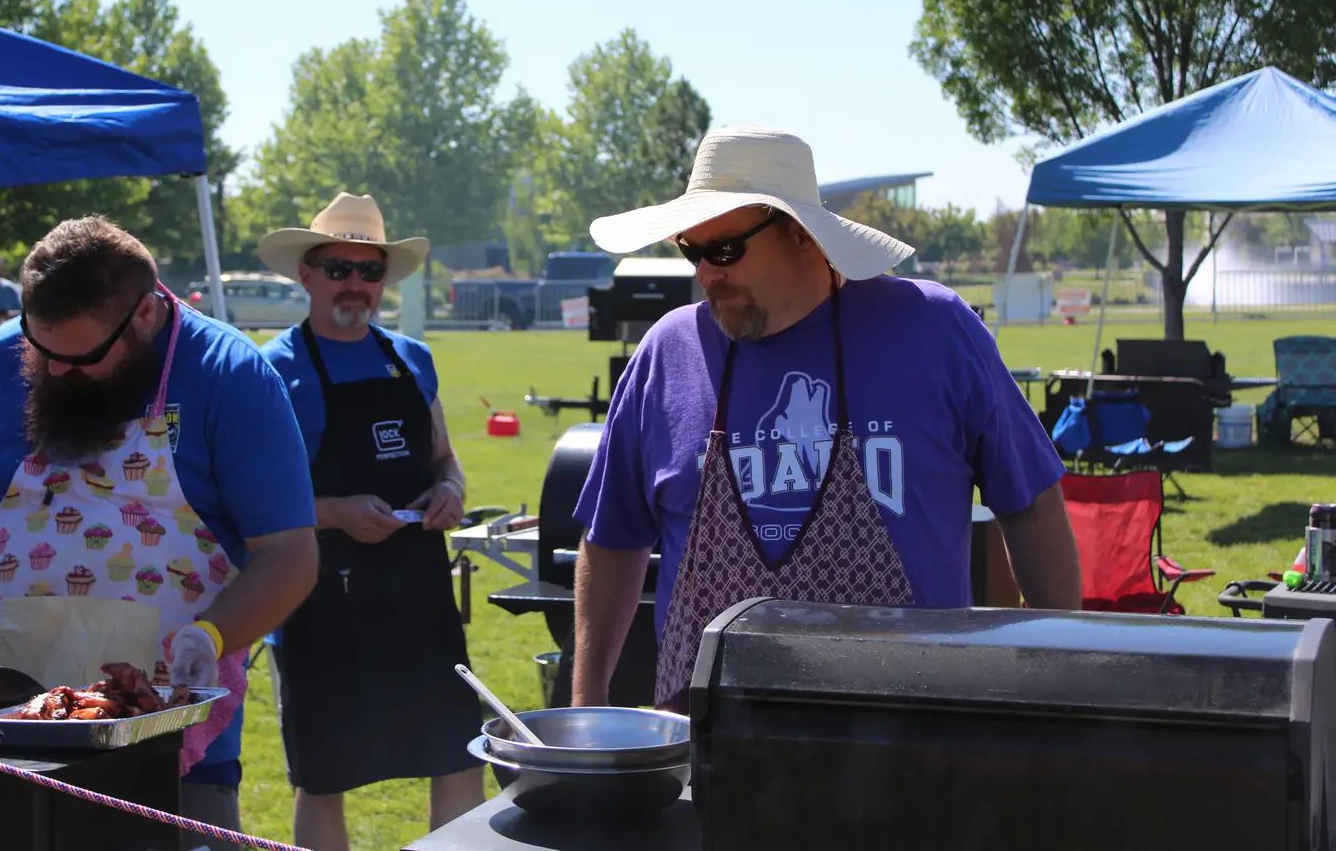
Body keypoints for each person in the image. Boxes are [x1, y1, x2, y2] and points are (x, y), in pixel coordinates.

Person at [569, 126, 1083, 714]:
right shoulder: (668, 354)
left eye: (726, 251)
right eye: (692, 251)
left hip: (912, 737)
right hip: (715, 756)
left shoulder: (934, 330)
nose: (706, 275)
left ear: (802, 236)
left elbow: (1032, 506)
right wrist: (587, 707)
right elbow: (611, 540)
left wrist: (1058, 680)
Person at [0, 217, 319, 849]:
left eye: (83, 357)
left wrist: (208, 636)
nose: (58, 372)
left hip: (164, 738)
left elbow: (289, 555)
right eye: (41, 349)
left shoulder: (229, 376)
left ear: (150, 314)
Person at [257, 192, 483, 851]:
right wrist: (337, 514)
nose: (355, 284)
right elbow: (257, 502)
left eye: (370, 270)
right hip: (320, 598)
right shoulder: (276, 370)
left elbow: (445, 457)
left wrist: (449, 490)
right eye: (338, 268)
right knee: (323, 775)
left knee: (459, 754)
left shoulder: (412, 358)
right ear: (305, 273)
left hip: (419, 594)